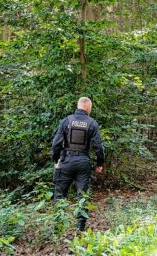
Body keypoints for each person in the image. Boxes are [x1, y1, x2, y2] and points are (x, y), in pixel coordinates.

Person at [52, 97, 105, 231]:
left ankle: (58, 226)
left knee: (60, 194)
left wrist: (56, 160)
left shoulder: (66, 121)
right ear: (88, 108)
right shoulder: (92, 123)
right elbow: (98, 146)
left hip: (66, 162)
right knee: (82, 196)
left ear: (78, 106)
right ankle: (80, 228)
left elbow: (56, 143)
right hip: (83, 163)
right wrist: (99, 163)